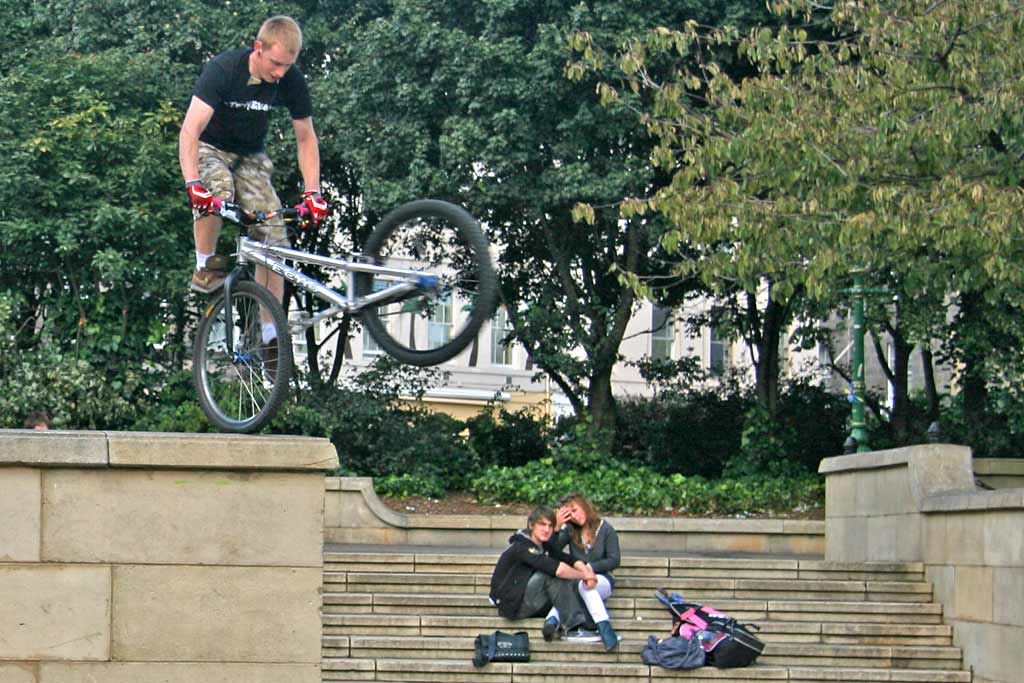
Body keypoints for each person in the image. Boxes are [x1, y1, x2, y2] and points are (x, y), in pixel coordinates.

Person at [178, 14, 328, 308]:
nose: (280, 73)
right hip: (210, 147)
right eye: (275, 63)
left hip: (250, 156)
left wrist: (314, 192)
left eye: (287, 65)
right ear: (258, 47)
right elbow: (190, 130)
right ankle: (204, 266)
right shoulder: (224, 69)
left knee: (274, 238)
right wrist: (193, 183)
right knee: (217, 192)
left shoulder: (291, 81)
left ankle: (273, 340)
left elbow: (306, 137)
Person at [489, 506, 598, 642]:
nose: (547, 530)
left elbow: (569, 559)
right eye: (542, 525)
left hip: (530, 597)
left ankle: (565, 623)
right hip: (513, 604)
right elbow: (559, 570)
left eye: (550, 526)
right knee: (551, 575)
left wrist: (587, 571)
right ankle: (572, 629)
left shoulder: (544, 546)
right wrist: (585, 576)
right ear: (531, 525)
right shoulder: (521, 547)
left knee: (569, 580)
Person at [553, 492, 622, 651]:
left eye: (575, 510)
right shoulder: (570, 531)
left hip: (601, 580)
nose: (574, 517)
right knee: (570, 586)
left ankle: (603, 628)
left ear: (585, 506)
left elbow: (614, 560)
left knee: (585, 586)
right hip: (578, 581)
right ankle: (552, 622)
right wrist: (557, 526)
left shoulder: (605, 529)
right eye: (570, 515)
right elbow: (553, 550)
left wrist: (589, 568)